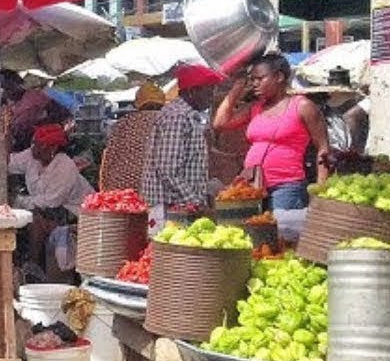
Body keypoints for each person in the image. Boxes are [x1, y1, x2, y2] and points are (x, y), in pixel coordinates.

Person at [215, 52, 333, 212]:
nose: (255, 84)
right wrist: (237, 87)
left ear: (279, 77)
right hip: (252, 186)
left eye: (260, 78)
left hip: (287, 187)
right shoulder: (255, 108)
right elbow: (220, 123)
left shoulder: (302, 106)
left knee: (282, 233)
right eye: (252, 79)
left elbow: (323, 149)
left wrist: (321, 190)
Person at [141, 65, 226, 231]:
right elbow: (167, 170)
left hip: (178, 205)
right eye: (208, 92)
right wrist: (195, 202)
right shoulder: (177, 118)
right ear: (193, 91)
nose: (211, 98)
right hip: (168, 208)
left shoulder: (185, 116)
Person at [8, 123, 94, 280]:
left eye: (39, 145)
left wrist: (17, 201)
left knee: (36, 219)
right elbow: (10, 163)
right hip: (47, 205)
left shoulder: (65, 166)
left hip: (74, 211)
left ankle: (33, 265)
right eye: (33, 143)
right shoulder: (31, 156)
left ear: (52, 148)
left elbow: (51, 201)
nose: (33, 148)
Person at [99, 82, 166, 194]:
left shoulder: (123, 123)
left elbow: (109, 157)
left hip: (120, 187)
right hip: (154, 188)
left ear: (137, 103)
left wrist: (104, 189)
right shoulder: (169, 122)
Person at [0, 69, 67, 152]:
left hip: (35, 144)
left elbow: (61, 113)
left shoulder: (34, 96)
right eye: (4, 89)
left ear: (19, 83)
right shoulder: (5, 102)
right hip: (15, 145)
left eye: (10, 88)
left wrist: (36, 126)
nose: (8, 92)